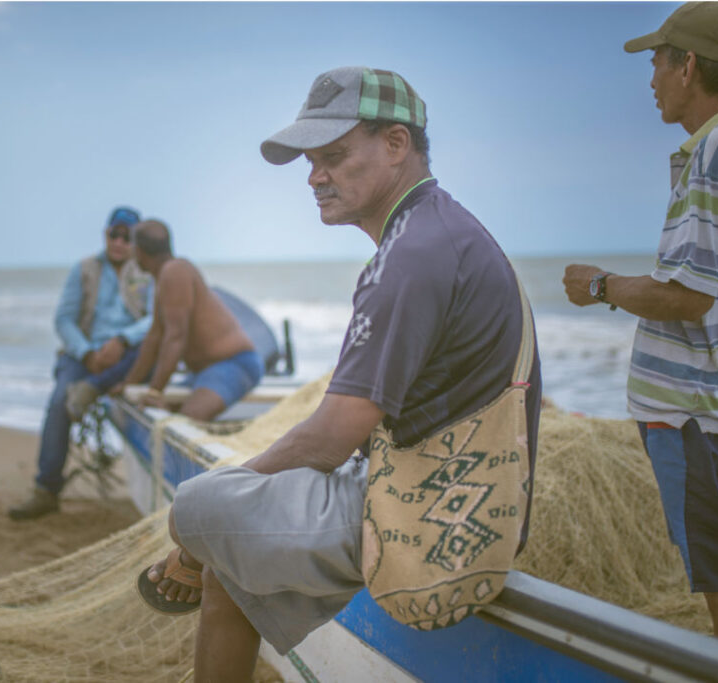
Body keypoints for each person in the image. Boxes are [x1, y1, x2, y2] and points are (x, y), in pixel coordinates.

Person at [136, 67, 542, 679]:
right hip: (463, 500)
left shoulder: (410, 255)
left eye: (333, 156)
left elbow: (333, 435)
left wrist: (221, 503)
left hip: (421, 517)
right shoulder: (443, 229)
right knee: (229, 556)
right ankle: (203, 558)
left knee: (195, 506)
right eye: (311, 160)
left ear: (397, 145)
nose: (314, 176)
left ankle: (191, 550)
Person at [562, 1, 718, 638]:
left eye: (657, 61)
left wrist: (600, 285)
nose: (650, 77)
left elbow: (688, 295)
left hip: (695, 415)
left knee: (716, 581)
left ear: (688, 66)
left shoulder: (711, 155)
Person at [8, 207, 154, 520]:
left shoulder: (145, 271)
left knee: (149, 359)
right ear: (105, 234)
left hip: (127, 355)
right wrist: (88, 352)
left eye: (126, 237)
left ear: (136, 240)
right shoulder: (85, 268)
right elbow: (64, 319)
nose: (118, 242)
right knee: (60, 401)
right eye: (114, 234)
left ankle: (92, 389)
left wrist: (123, 340)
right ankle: (46, 490)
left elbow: (156, 319)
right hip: (84, 355)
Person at [118, 220, 263, 421]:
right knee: (163, 415)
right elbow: (154, 337)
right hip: (203, 371)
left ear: (139, 251)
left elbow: (176, 337)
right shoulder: (161, 277)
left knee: (187, 420)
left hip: (235, 363)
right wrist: (129, 384)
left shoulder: (175, 271)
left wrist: (154, 392)